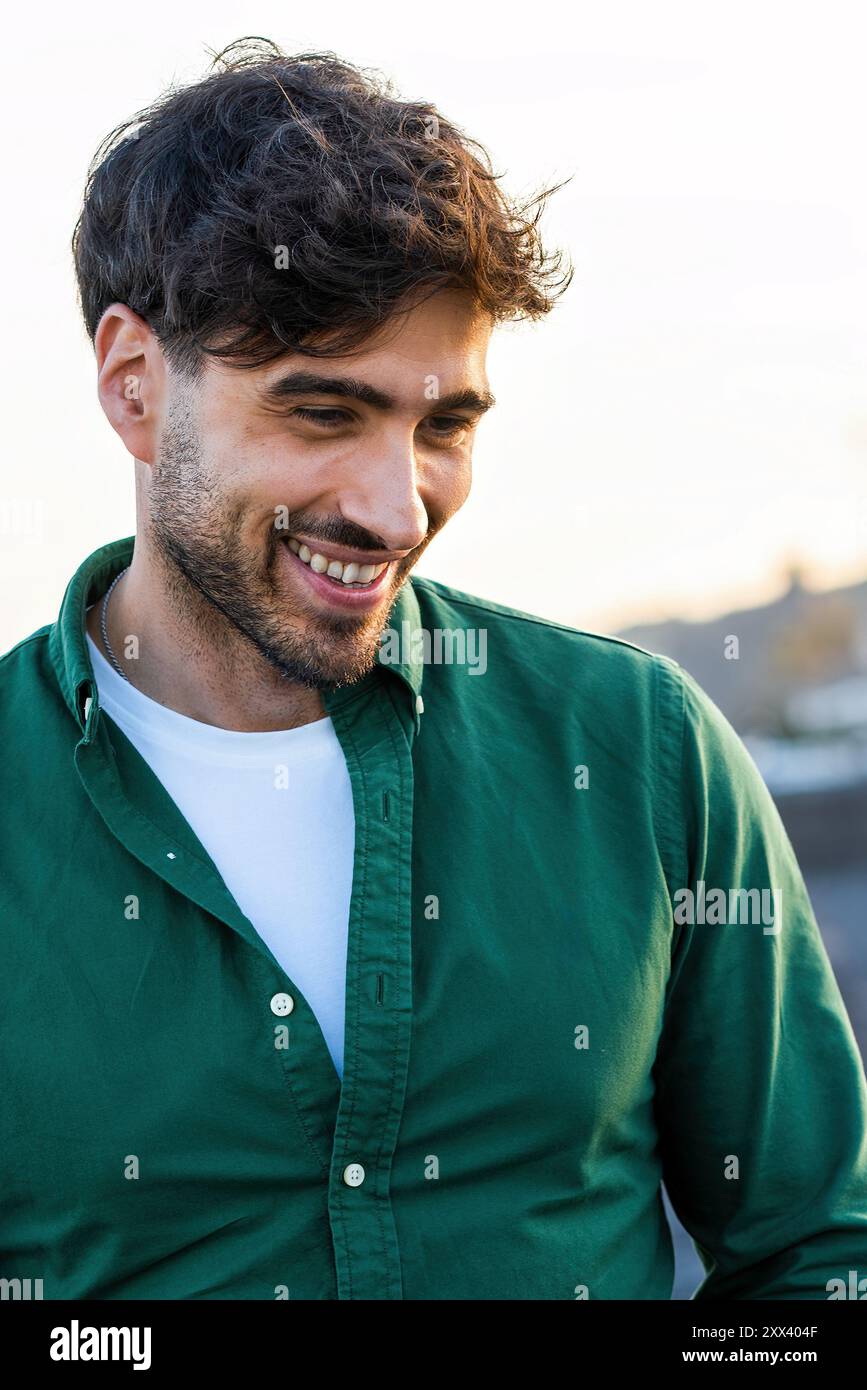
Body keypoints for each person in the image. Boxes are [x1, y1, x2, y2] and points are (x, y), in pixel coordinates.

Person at [1, 36, 865, 1301]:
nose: (398, 508)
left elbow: (820, 1254)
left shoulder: (639, 752)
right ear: (135, 388)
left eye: (443, 425)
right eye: (324, 413)